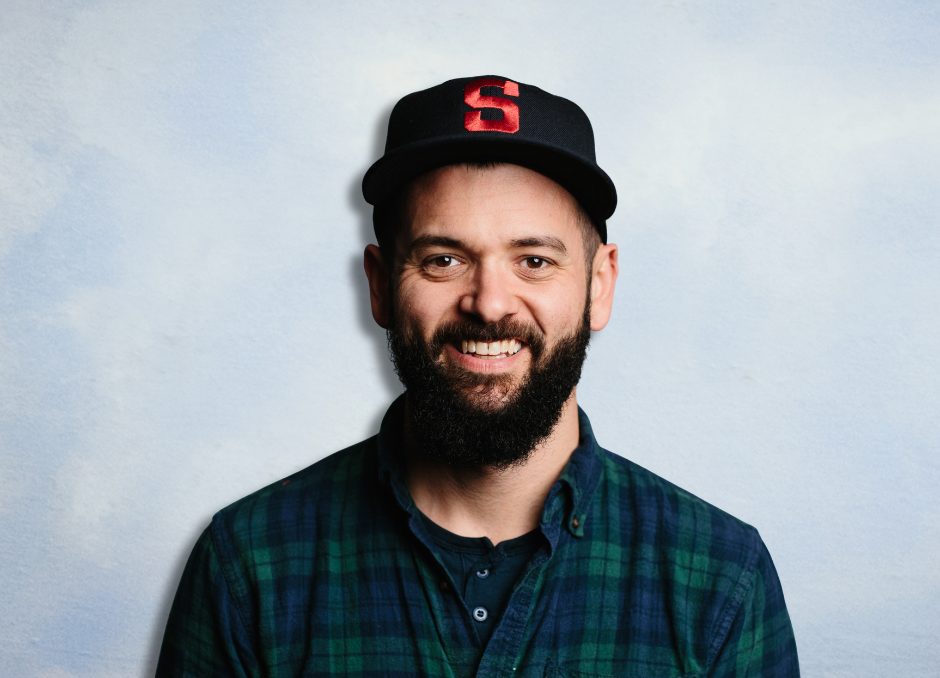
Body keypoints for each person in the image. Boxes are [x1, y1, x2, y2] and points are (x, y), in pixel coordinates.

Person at [156, 76, 799, 677]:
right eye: (443, 259)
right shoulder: (248, 567)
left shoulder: (720, 580)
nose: (489, 302)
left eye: (534, 261)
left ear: (599, 285)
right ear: (379, 285)